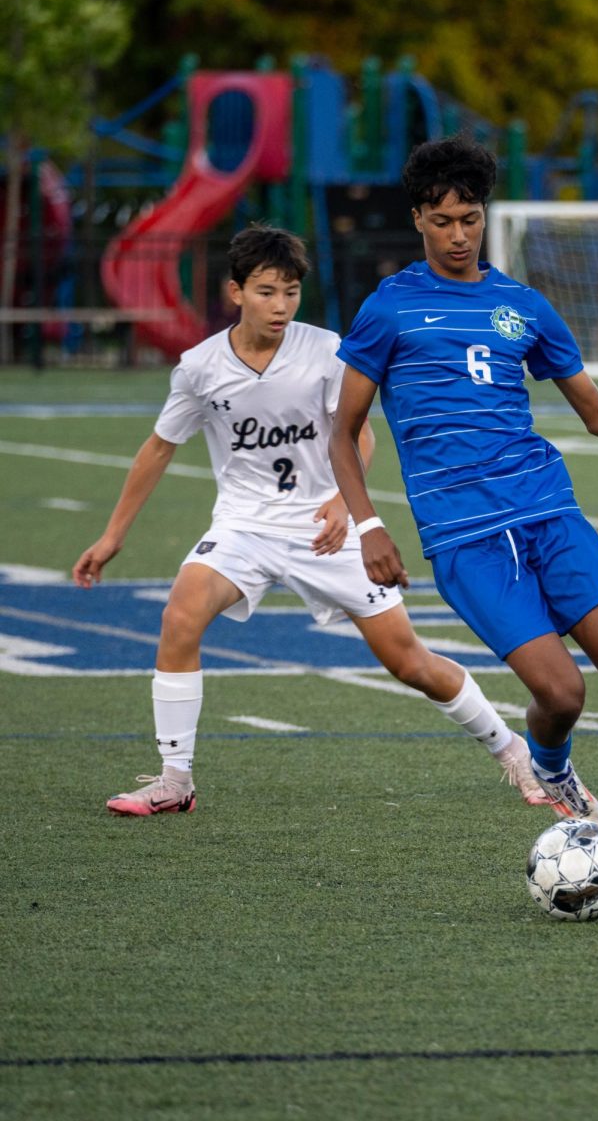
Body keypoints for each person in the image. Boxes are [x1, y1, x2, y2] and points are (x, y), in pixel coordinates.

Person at [328, 137, 598, 904]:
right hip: (465, 540)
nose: (461, 234)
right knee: (561, 696)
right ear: (419, 218)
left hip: (549, 511)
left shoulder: (523, 307)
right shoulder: (388, 308)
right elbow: (341, 431)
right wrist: (368, 526)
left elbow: (591, 411)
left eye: (472, 218)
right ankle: (551, 763)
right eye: (445, 220)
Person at [72, 224, 548, 816]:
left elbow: (359, 435)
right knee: (180, 615)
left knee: (410, 662)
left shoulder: (325, 350)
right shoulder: (199, 367)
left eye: (291, 292)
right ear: (235, 292)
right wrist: (112, 535)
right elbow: (159, 446)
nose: (280, 305)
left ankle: (512, 752)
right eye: (267, 291)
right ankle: (175, 779)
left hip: (328, 529)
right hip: (244, 526)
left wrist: (344, 503)